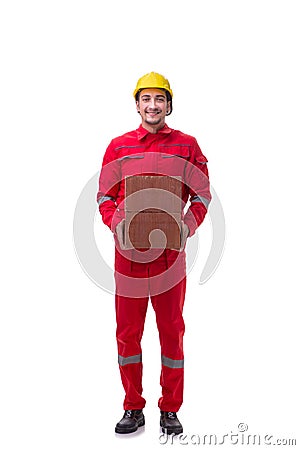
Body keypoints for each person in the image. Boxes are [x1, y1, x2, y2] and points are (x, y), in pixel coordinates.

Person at [97, 72, 211, 435]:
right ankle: (133, 407)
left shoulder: (187, 145)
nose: (152, 105)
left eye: (159, 99)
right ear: (137, 104)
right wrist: (117, 222)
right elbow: (104, 195)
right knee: (128, 334)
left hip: (168, 258)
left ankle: (170, 409)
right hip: (128, 257)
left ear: (169, 105)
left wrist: (187, 226)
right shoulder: (118, 146)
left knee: (171, 332)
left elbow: (202, 195)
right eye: (146, 99)